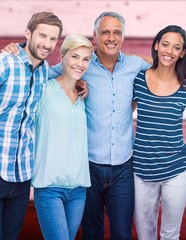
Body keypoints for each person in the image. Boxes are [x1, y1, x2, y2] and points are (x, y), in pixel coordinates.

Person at [48, 12, 151, 239]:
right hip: (88, 166)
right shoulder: (80, 65)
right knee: (92, 232)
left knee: (122, 233)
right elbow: (42, 73)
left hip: (124, 166)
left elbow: (163, 63)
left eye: (117, 32)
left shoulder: (135, 65)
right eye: (105, 32)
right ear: (94, 36)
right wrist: (18, 50)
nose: (111, 37)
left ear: (123, 37)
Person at [0, 11, 63, 239]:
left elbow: (70, 70)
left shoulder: (43, 72)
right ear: (28, 33)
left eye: (53, 39)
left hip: (21, 177)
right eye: (42, 36)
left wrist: (81, 85)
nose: (47, 44)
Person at [132, 25, 186, 240]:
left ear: (182, 53)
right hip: (141, 170)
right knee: (145, 234)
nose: (169, 51)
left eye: (176, 47)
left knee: (170, 234)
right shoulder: (139, 80)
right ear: (157, 45)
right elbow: (121, 115)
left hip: (176, 169)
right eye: (165, 44)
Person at [32, 34, 92, 240]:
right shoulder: (43, 90)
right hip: (50, 188)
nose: (80, 64)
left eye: (86, 59)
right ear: (63, 56)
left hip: (78, 189)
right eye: (75, 57)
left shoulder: (83, 95)